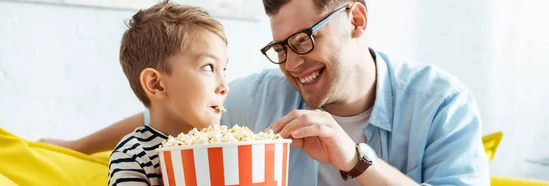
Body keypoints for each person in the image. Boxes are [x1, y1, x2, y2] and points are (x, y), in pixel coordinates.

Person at [42, 0, 490, 185]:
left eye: (304, 40)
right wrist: (76, 147)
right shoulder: (263, 94)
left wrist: (355, 160)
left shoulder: (441, 103)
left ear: (355, 19)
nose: (293, 63)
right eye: (281, 47)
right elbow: (173, 115)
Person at [105, 1, 230, 185]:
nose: (224, 86)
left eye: (224, 70)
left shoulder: (228, 147)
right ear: (156, 84)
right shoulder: (134, 155)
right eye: (208, 67)